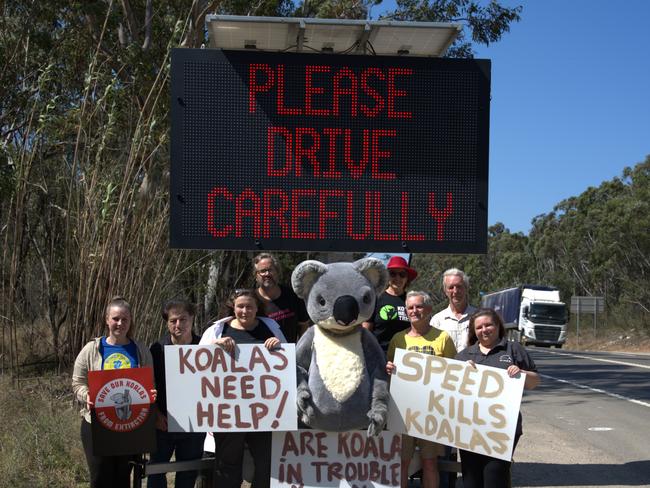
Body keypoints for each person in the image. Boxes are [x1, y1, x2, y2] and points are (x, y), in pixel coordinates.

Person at [200, 289, 286, 488]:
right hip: (229, 412)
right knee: (227, 464)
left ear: (257, 308)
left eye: (249, 306)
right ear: (233, 307)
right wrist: (214, 346)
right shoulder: (217, 330)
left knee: (265, 464)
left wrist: (278, 345)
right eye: (240, 306)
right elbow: (198, 364)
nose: (245, 310)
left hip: (264, 412)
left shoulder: (270, 326)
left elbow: (287, 360)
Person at [72, 296, 155, 488]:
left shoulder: (140, 349)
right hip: (96, 425)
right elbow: (77, 383)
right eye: (116, 318)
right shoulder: (92, 349)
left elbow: (150, 384)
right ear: (107, 320)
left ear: (131, 321)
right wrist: (88, 396)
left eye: (125, 319)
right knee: (100, 477)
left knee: (122, 478)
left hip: (129, 426)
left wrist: (151, 394)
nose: (120, 323)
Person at [455, 308, 540, 488]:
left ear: (497, 326)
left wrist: (521, 373)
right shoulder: (464, 355)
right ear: (474, 331)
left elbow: (534, 382)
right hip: (469, 429)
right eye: (479, 327)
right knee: (471, 482)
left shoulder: (513, 349)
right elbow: (450, 390)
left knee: (495, 477)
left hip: (502, 430)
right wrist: (460, 372)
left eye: (488, 325)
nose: (484, 330)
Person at [386, 291, 456, 488]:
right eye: (410, 307)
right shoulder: (398, 339)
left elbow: (454, 374)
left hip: (432, 411)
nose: (414, 311)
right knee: (402, 462)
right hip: (403, 411)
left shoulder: (442, 338)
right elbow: (390, 368)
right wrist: (389, 368)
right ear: (406, 312)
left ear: (429, 310)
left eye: (419, 306)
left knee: (430, 463)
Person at [148, 298, 205, 488]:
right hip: (163, 423)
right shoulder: (156, 350)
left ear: (192, 318)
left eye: (183, 319)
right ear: (167, 322)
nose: (178, 325)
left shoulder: (205, 347)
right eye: (173, 321)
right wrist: (156, 414)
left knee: (188, 473)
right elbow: (148, 386)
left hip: (195, 425)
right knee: (156, 471)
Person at [363, 255, 417, 352]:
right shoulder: (376, 299)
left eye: (402, 274)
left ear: (407, 278)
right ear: (387, 276)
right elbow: (366, 332)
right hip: (380, 355)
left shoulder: (412, 301)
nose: (397, 278)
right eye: (393, 274)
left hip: (406, 358)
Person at [253, 253, 310, 343]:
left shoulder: (294, 296)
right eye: (262, 271)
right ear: (256, 276)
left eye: (270, 270)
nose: (267, 274)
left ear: (277, 272)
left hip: (287, 354)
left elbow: (303, 325)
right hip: (258, 354)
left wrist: (301, 349)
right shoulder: (250, 300)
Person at [430, 268, 477, 352]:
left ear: (466, 288)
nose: (455, 291)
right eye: (451, 287)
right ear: (445, 291)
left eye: (459, 286)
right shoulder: (437, 321)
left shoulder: (478, 317)